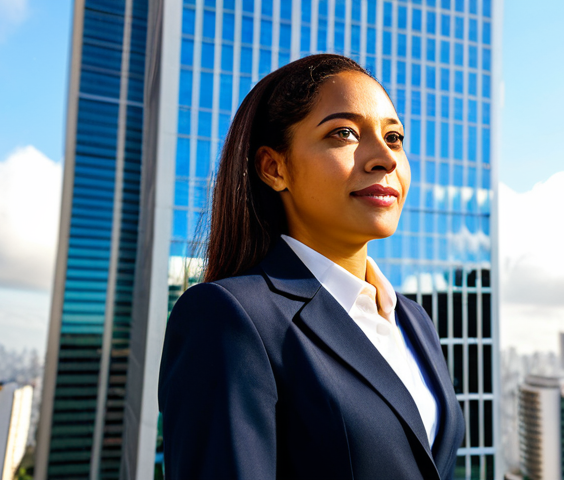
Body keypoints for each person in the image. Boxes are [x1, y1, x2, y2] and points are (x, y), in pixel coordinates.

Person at [158, 54, 464, 480]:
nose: (385, 158)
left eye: (394, 138)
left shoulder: (413, 319)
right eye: (344, 133)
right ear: (274, 167)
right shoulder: (228, 317)